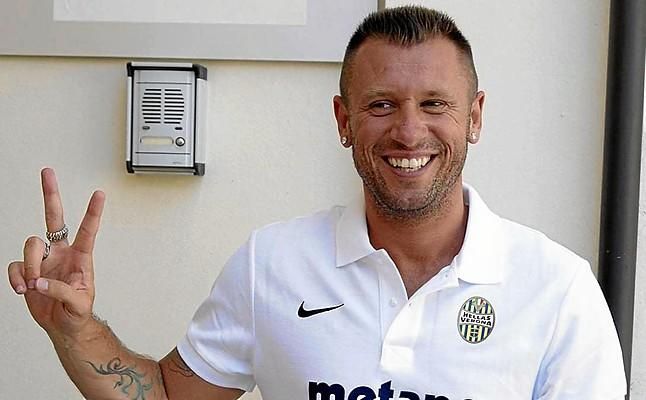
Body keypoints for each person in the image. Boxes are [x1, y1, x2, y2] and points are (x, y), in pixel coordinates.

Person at [7, 6, 626, 400]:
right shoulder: (272, 263)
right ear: (344, 120)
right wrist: (75, 330)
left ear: (475, 117)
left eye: (435, 104)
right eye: (382, 104)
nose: (409, 131)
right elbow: (167, 397)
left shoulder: (558, 290)